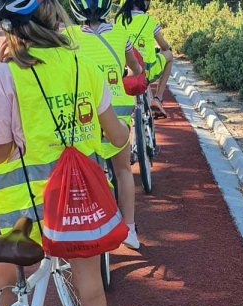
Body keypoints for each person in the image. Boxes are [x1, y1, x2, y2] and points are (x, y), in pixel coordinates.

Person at [0, 0, 130, 306]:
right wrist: (124, 130)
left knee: (2, 279)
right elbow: (115, 136)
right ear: (55, 16)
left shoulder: (5, 74)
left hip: (28, 211)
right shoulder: (84, 67)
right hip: (78, 210)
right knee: (92, 294)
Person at [66, 0, 143, 249]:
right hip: (118, 110)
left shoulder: (68, 37)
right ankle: (129, 229)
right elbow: (135, 67)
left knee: (92, 173)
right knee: (123, 170)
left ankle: (96, 226)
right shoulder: (122, 33)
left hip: (85, 111)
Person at [115, 0, 173, 119]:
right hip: (148, 71)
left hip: (126, 71)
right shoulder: (150, 21)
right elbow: (164, 46)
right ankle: (158, 98)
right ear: (145, 3)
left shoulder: (119, 19)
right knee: (169, 55)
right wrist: (166, 48)